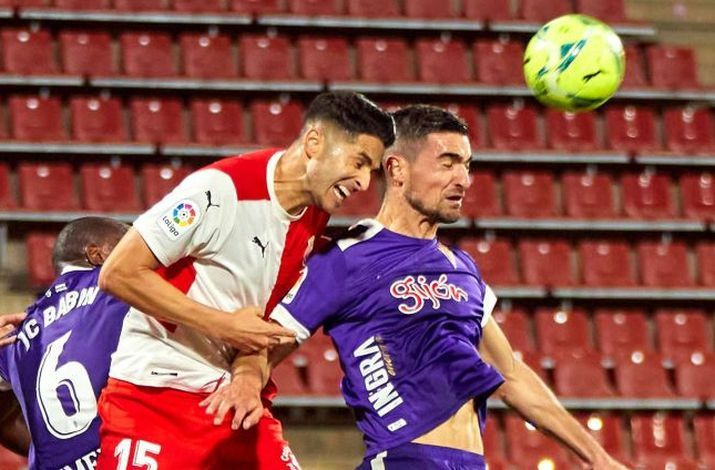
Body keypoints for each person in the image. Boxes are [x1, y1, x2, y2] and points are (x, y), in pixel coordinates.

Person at [204, 105, 628, 469]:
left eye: (467, 164)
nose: (463, 178)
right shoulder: (346, 258)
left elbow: (510, 375)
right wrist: (245, 380)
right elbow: (264, 341)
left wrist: (594, 456)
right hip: (404, 457)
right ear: (397, 169)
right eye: (447, 162)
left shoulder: (462, 268)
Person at [96, 91, 395, 469]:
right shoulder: (220, 190)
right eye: (360, 162)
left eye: (372, 171)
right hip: (153, 395)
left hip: (228, 402)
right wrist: (223, 326)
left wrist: (248, 376)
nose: (365, 183)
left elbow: (256, 322)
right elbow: (118, 273)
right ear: (314, 142)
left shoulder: (311, 217)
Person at [0, 216, 130, 469]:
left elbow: (2, 421)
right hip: (122, 458)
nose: (138, 255)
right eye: (127, 246)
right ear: (97, 254)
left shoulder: (16, 333)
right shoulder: (118, 288)